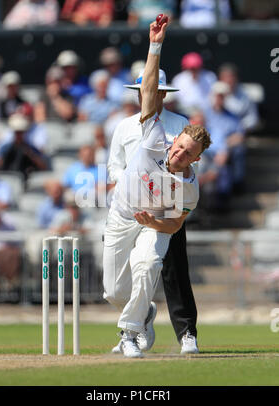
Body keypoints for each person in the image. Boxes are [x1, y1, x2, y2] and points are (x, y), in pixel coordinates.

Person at [103, 17, 211, 358]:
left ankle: (130, 333)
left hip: (157, 214)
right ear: (171, 140)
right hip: (122, 213)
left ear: (195, 160)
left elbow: (176, 223)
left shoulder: (190, 186)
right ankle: (144, 313)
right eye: (177, 147)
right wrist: (155, 45)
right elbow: (148, 90)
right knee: (113, 291)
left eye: (186, 153)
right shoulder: (151, 133)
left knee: (149, 264)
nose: (178, 153)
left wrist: (154, 223)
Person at [171, 52, 216, 116]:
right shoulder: (179, 79)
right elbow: (176, 100)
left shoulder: (210, 77)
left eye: (196, 68)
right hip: (184, 113)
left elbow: (214, 97)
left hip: (206, 114)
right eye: (191, 68)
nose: (194, 70)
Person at [218, 63, 259, 132]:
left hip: (239, 134)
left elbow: (253, 118)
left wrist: (239, 128)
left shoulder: (246, 95)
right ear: (220, 78)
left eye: (231, 76)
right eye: (225, 77)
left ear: (236, 78)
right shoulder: (213, 93)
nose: (229, 80)